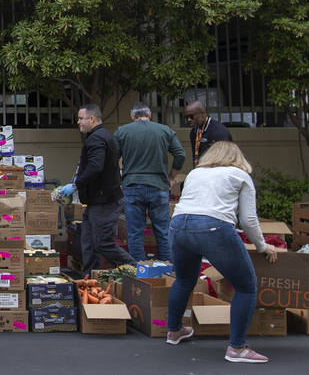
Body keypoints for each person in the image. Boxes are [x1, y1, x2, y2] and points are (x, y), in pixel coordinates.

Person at [164, 141, 279, 364]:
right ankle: (236, 348)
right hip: (213, 228)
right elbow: (248, 220)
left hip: (178, 226)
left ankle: (174, 331)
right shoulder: (240, 175)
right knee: (246, 286)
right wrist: (263, 246)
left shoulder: (196, 174)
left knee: (184, 280)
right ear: (238, 157)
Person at [116, 102, 187, 262]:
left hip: (132, 186)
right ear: (149, 115)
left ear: (132, 117)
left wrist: (120, 179)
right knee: (162, 232)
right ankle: (166, 270)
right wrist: (171, 177)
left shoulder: (123, 131)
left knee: (135, 233)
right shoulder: (164, 130)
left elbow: (112, 157)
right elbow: (180, 155)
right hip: (158, 186)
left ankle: (140, 271)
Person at [75, 104, 136, 277]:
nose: (78, 122)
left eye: (81, 118)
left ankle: (134, 269)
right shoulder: (100, 136)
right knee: (89, 242)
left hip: (104, 201)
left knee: (102, 243)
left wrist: (77, 183)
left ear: (92, 119)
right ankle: (90, 278)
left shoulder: (96, 139)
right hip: (97, 201)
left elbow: (95, 165)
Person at [185, 99, 232, 167]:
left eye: (191, 116)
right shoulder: (194, 132)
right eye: (186, 117)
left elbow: (226, 159)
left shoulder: (219, 132)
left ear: (203, 113)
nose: (189, 120)